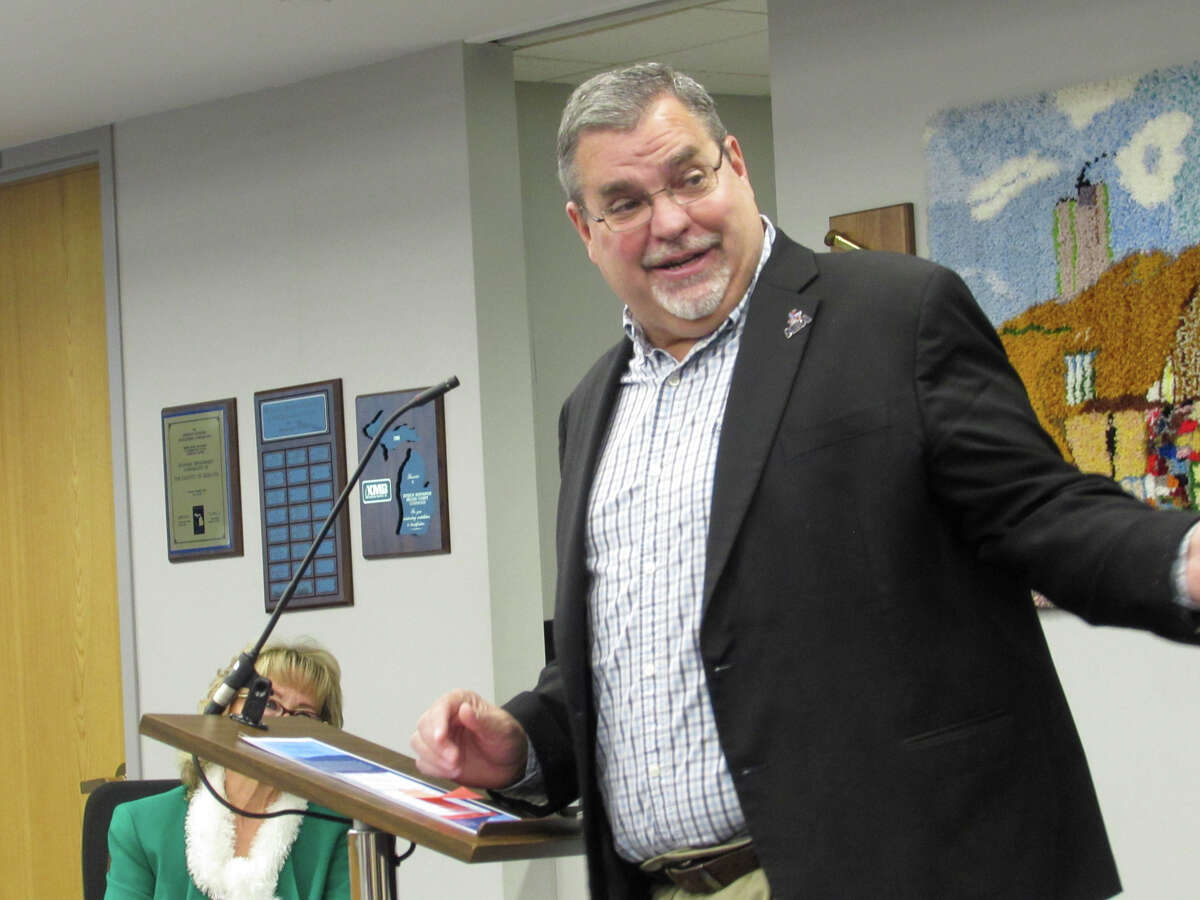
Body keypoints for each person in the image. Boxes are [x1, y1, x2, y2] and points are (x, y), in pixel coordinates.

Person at [412, 63, 1200, 899]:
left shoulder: (894, 316)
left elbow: (1036, 508)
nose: (671, 222)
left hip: (910, 873)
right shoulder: (590, 408)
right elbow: (621, 657)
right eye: (628, 202)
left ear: (736, 164)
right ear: (585, 226)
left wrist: (1178, 556)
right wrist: (525, 745)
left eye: (689, 178)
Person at [105, 640, 350, 900]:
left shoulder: (337, 829)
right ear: (227, 707)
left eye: (303, 716)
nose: (284, 722)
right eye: (269, 703)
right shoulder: (139, 825)